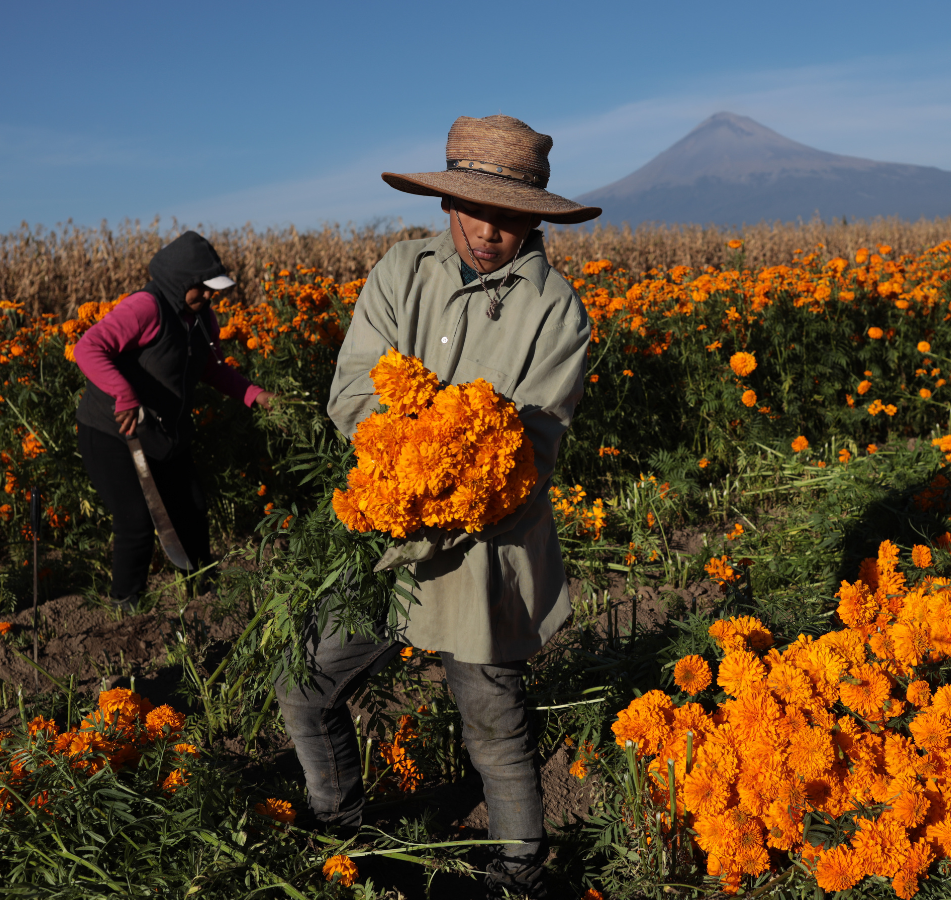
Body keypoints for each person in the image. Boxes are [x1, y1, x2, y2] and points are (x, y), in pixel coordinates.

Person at [275, 115, 600, 899]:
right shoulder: (402, 273)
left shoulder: (556, 311)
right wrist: (396, 459)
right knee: (305, 687)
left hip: (483, 552)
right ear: (448, 203)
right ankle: (341, 831)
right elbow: (354, 385)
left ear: (535, 217)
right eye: (477, 210)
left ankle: (520, 869)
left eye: (512, 216)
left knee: (491, 716)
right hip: (385, 542)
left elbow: (535, 447)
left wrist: (458, 480)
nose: (492, 232)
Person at [73, 231, 276, 610]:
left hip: (164, 432)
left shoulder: (200, 318)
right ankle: (125, 607)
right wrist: (125, 394)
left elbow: (211, 369)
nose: (210, 296)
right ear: (181, 282)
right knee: (135, 521)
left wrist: (254, 394)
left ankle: (206, 596)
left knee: (192, 510)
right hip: (113, 431)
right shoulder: (145, 308)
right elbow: (88, 348)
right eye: (203, 288)